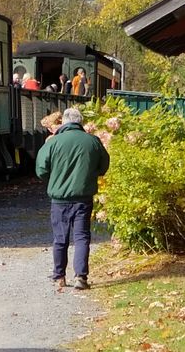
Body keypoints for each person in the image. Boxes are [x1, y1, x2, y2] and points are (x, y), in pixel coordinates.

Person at [35, 107, 109, 290]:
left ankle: (59, 276)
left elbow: (41, 170)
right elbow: (103, 167)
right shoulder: (93, 141)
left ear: (65, 122)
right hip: (83, 198)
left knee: (60, 238)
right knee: (82, 236)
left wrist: (55, 179)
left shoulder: (53, 142)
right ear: (80, 122)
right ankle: (81, 277)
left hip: (59, 199)